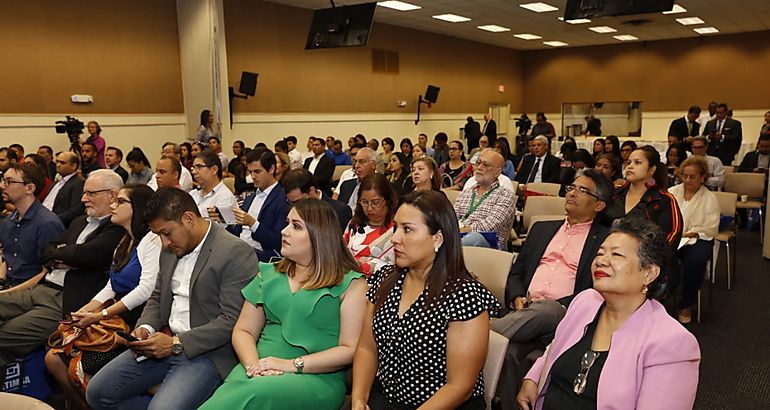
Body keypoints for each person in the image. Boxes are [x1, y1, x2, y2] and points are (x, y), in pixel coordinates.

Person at [85, 188, 258, 410]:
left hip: (208, 352)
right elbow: (158, 297)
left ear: (189, 219)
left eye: (166, 233)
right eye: (158, 235)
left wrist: (176, 344)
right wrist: (145, 328)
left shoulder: (234, 252)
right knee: (98, 392)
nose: (164, 242)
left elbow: (232, 320)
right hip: (164, 341)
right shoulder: (171, 248)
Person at [516, 218, 700, 410]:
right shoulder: (586, 302)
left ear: (649, 273)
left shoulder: (672, 343)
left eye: (617, 255)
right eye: (600, 253)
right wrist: (533, 377)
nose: (601, 261)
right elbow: (556, 346)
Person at [200, 199, 366, 410]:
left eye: (296, 226)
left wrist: (289, 365)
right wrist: (255, 367)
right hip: (257, 366)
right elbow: (243, 330)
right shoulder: (268, 273)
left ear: (320, 235)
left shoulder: (350, 283)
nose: (283, 231)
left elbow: (349, 349)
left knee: (251, 394)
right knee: (241, 391)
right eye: (287, 223)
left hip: (315, 377)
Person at [351, 190, 501, 410]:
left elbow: (459, 386)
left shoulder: (464, 296)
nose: (394, 238)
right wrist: (358, 399)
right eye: (395, 227)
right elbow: (367, 348)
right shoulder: (385, 280)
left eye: (407, 229)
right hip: (388, 398)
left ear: (437, 238)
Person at [44, 184, 159, 409]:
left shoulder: (151, 241)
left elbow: (145, 290)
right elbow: (111, 286)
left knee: (81, 368)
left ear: (138, 207)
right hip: (115, 319)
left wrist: (100, 315)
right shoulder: (124, 242)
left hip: (135, 325)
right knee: (53, 358)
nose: (114, 206)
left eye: (121, 202)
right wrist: (86, 310)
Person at [0, 170, 125, 369]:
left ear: (112, 195)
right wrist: (67, 256)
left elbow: (85, 255)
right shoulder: (79, 221)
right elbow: (46, 253)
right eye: (84, 193)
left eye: (91, 193)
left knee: (4, 335)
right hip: (41, 288)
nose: (84, 199)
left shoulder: (117, 228)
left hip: (66, 301)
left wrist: (64, 254)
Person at [496, 170, 611, 346]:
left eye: (583, 190)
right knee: (508, 353)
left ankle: (479, 331)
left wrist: (559, 305)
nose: (572, 193)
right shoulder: (541, 229)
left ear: (599, 205)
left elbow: (597, 289)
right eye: (572, 187)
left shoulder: (606, 240)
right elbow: (517, 271)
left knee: (548, 309)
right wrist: (517, 297)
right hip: (526, 311)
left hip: (565, 314)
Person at [668, 157, 720, 324]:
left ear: (702, 177)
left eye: (693, 176)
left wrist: (694, 233)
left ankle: (686, 304)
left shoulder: (709, 198)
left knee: (695, 261)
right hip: (674, 236)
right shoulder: (672, 192)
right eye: (685, 176)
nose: (688, 180)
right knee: (655, 256)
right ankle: (658, 300)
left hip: (698, 238)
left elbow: (711, 227)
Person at [604, 146, 683, 250]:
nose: (630, 166)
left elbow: (671, 237)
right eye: (629, 163)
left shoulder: (664, 200)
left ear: (652, 170)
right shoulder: (614, 192)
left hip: (643, 260)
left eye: (637, 162)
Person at [0, 164, 65, 288]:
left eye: (9, 182)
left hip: (34, 291)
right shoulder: (8, 221)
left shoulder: (48, 224)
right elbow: (6, 259)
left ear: (29, 188)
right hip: (10, 286)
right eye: (3, 180)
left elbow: (46, 272)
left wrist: (5, 294)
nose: (2, 186)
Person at [229, 149, 290, 262]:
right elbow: (237, 232)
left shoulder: (283, 199)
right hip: (240, 250)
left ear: (271, 169)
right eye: (250, 172)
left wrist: (252, 223)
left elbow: (278, 242)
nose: (252, 177)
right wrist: (223, 220)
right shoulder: (250, 198)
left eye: (257, 172)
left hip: (262, 256)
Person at [455, 150, 516, 250]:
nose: (479, 167)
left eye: (485, 165)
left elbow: (490, 225)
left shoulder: (506, 195)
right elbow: (453, 217)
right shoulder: (466, 192)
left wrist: (460, 231)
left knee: (475, 238)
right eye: (478, 163)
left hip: (489, 247)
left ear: (497, 172)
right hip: (458, 236)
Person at [343, 174, 398, 277]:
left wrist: (365, 264)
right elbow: (341, 254)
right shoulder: (354, 224)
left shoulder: (397, 229)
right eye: (364, 202)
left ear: (388, 200)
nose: (369, 208)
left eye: (375, 203)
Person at [282, 168, 352, 232]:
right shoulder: (290, 209)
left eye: (298, 201)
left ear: (312, 190)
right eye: (291, 202)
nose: (295, 206)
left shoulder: (339, 211)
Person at [190, 151, 238, 219]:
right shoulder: (192, 194)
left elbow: (219, 228)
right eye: (193, 168)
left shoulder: (225, 197)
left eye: (199, 167)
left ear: (214, 169)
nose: (194, 172)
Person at [43, 151, 86, 227]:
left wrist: (53, 220)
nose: (58, 165)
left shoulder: (78, 183)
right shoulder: (55, 183)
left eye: (62, 163)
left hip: (57, 224)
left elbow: (75, 210)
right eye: (57, 162)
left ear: (73, 166)